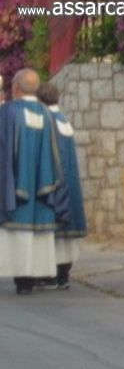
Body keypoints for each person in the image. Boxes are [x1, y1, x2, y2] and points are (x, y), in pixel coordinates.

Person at [0, 68, 58, 295]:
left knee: (17, 234)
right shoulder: (46, 113)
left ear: (15, 87)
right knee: (37, 234)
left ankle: (21, 278)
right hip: (41, 188)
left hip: (16, 189)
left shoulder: (8, 112)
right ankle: (32, 277)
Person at [37, 82, 87, 290]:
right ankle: (63, 275)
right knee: (66, 236)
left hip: (56, 184)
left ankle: (53, 276)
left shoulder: (47, 122)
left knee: (56, 234)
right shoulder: (64, 120)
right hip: (70, 184)